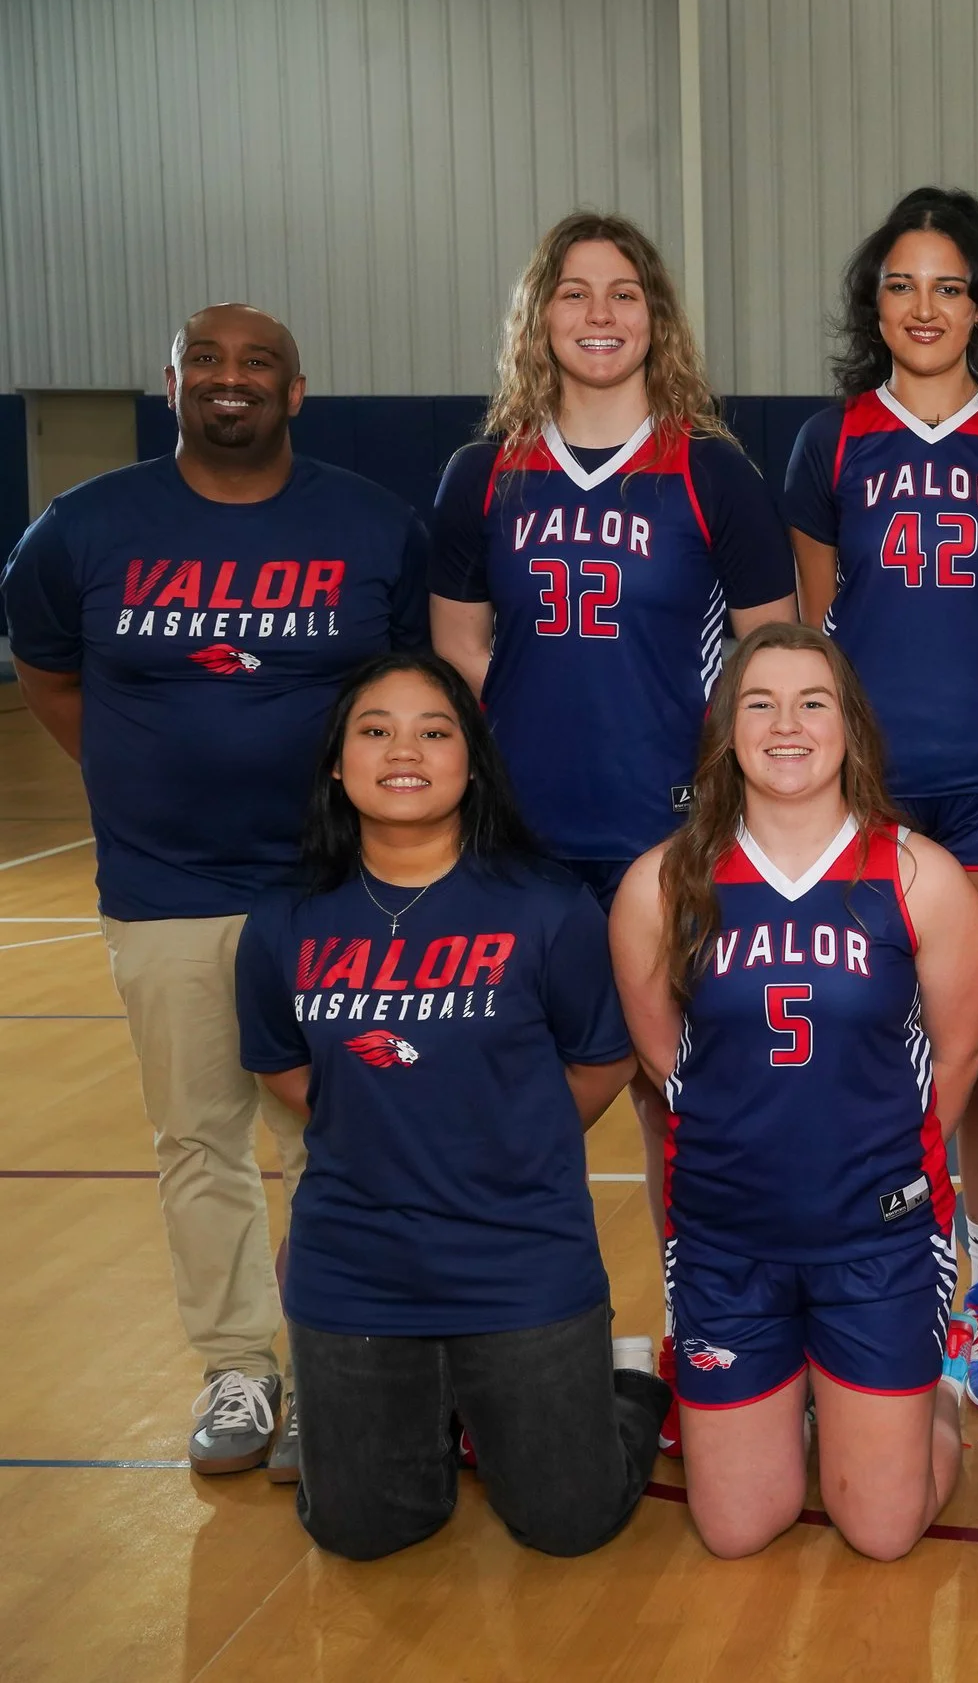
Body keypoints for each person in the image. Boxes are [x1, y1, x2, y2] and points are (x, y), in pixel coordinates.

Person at [2, 303, 428, 1477]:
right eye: (206, 361)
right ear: (172, 381)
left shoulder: (369, 524)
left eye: (256, 365)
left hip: (336, 892)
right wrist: (145, 774)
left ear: (297, 391)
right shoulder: (81, 529)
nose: (228, 380)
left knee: (335, 1137)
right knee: (199, 1138)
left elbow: (411, 701)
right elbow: (48, 675)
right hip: (166, 891)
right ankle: (240, 1367)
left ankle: (339, 1364)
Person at [429, 210, 796, 1438]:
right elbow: (461, 656)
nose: (599, 314)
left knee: (673, 1095)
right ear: (539, 317)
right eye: (574, 293)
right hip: (521, 850)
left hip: (666, 843)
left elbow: (772, 665)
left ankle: (706, 1333)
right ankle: (515, 1339)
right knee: (514, 1097)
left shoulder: (711, 470)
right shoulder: (481, 474)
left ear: (657, 318)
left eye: (624, 293)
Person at [236, 652, 666, 1557]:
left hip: (519, 1249)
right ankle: (439, 1410)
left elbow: (598, 1060)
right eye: (375, 729)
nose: (406, 749)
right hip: (357, 1258)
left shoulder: (546, 910)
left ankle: (620, 1384)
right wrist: (387, 1118)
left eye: (435, 731)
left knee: (567, 1521)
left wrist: (503, 1125)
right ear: (335, 762)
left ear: (472, 760)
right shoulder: (285, 922)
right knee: (363, 1529)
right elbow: (283, 1066)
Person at [608, 623, 978, 1559]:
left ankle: (913, 1403)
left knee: (884, 1528)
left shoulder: (918, 875)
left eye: (813, 702)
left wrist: (873, 1170)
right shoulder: (663, 884)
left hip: (879, 1242)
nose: (788, 724)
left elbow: (959, 1054)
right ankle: (816, 1402)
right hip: (726, 1239)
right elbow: (666, 1066)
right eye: (760, 703)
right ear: (725, 731)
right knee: (739, 1528)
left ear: (851, 727)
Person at [784, 188, 978, 1416]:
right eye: (901, 284)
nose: (924, 306)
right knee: (868, 1040)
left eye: (949, 286)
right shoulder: (831, 442)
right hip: (873, 790)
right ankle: (882, 1268)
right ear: (873, 303)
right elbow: (810, 633)